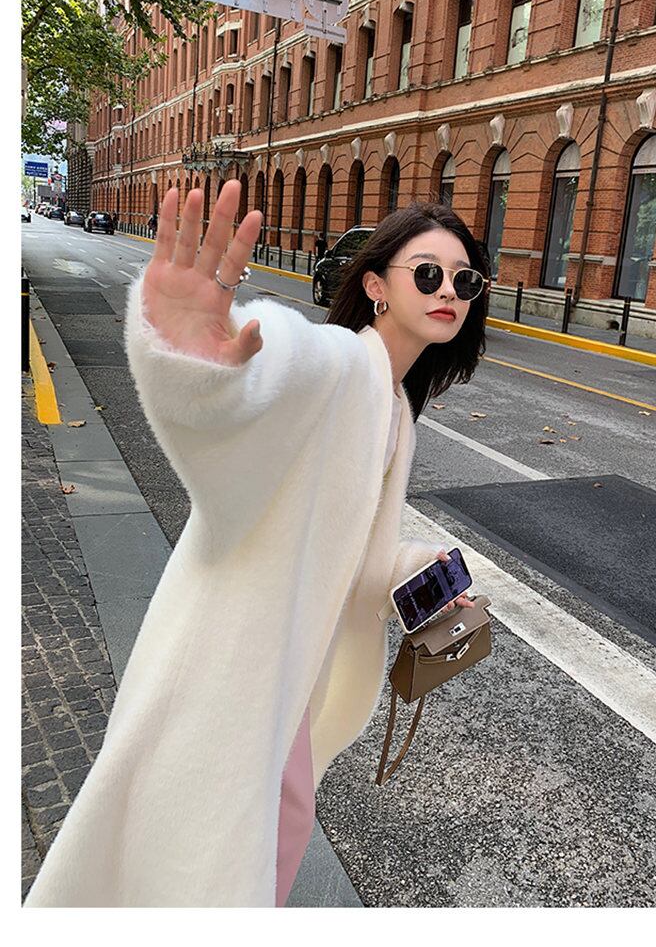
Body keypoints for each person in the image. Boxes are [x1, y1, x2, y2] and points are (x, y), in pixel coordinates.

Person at [23, 179, 490, 908]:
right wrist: (202, 365)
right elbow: (282, 364)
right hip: (236, 669)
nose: (449, 292)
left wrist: (413, 568)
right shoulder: (343, 365)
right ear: (375, 284)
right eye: (427, 274)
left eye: (464, 280)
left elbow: (345, 545)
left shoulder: (395, 404)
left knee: (246, 851)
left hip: (288, 680)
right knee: (207, 866)